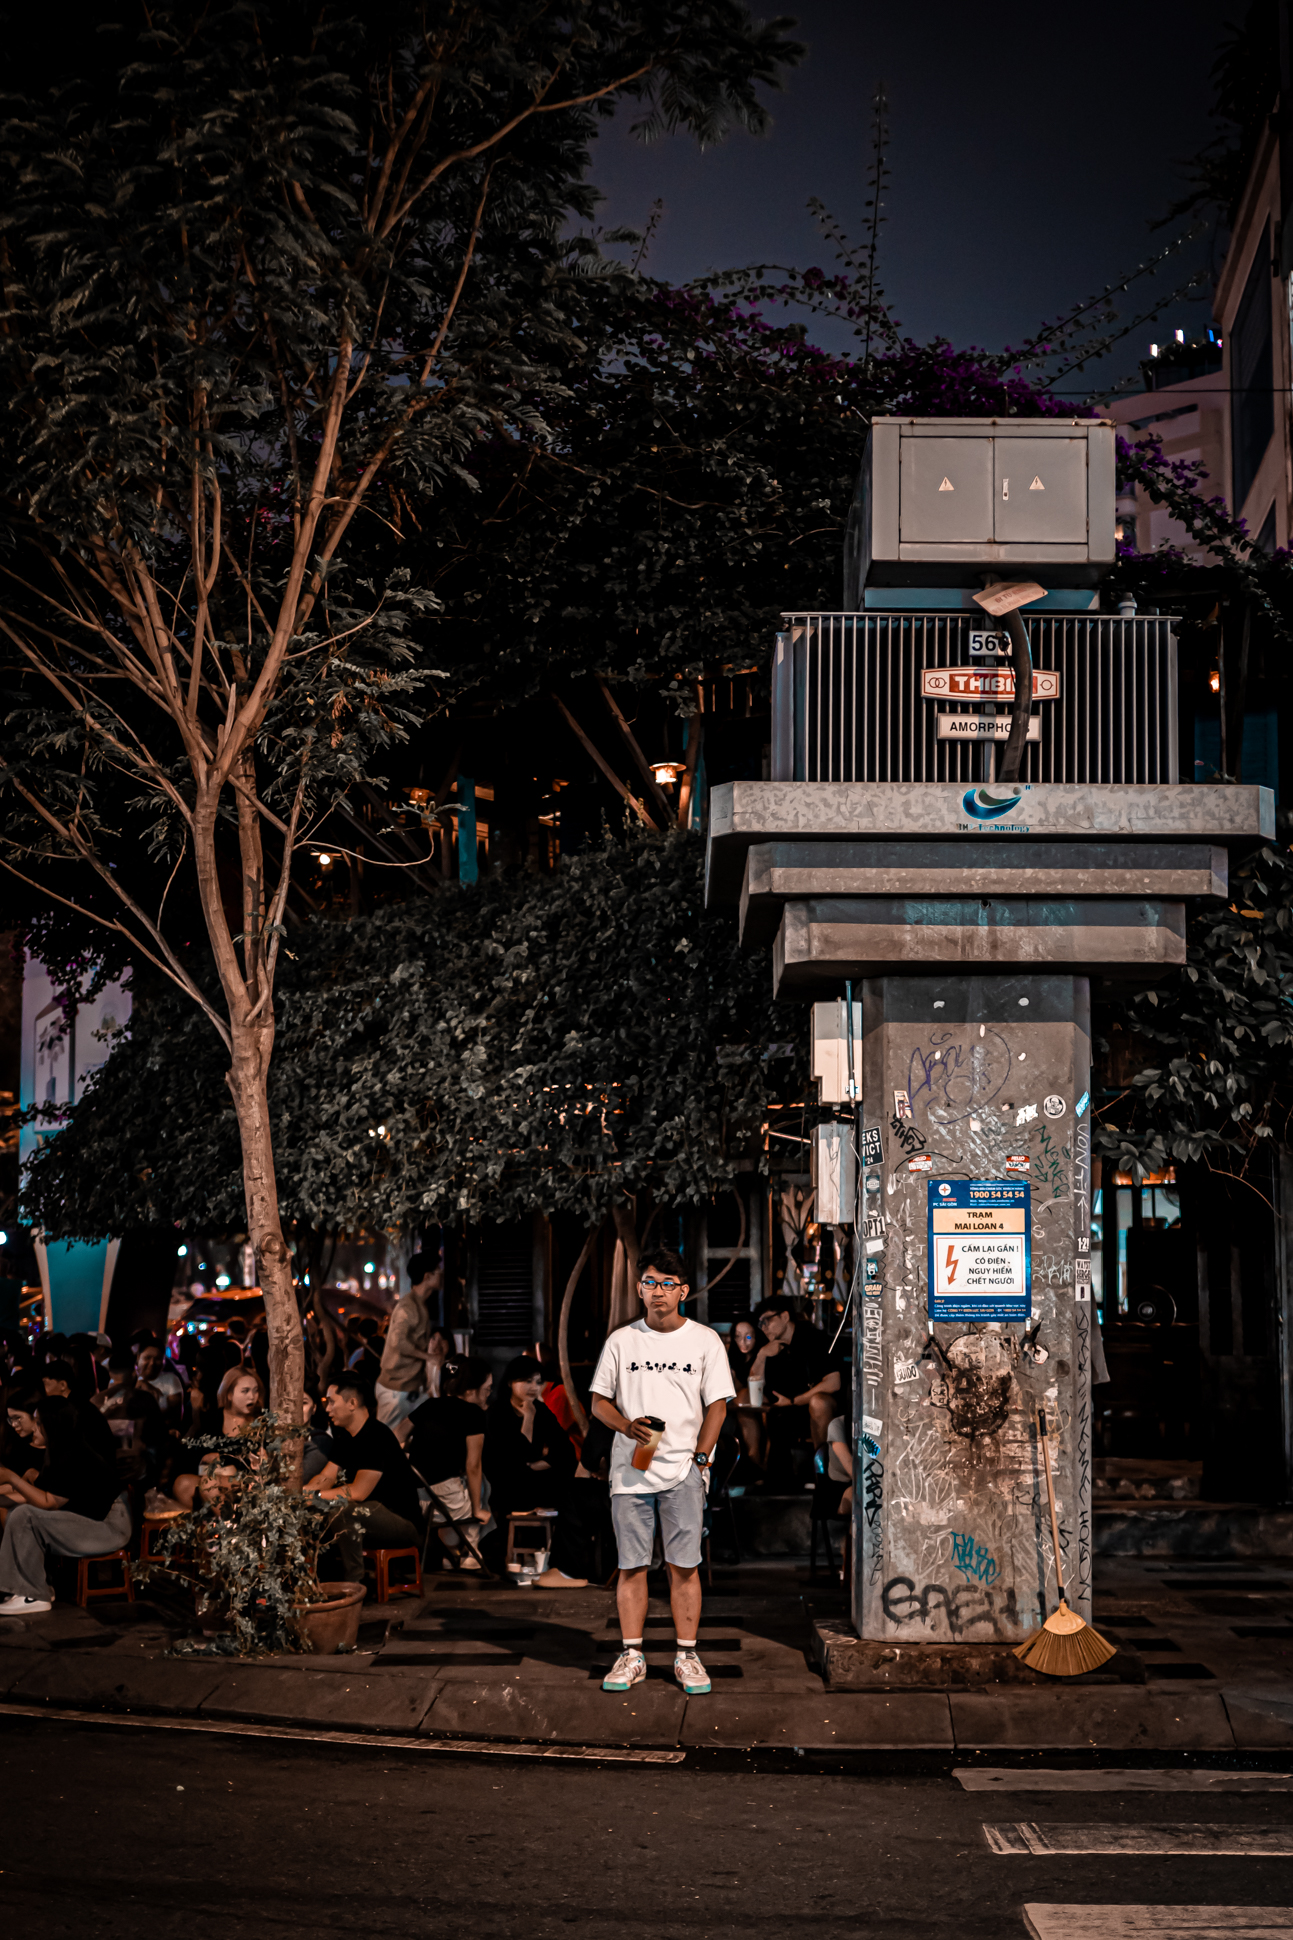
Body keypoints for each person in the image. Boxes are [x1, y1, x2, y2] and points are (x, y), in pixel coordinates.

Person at [590, 1246, 735, 1698]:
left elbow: (717, 1406)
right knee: (631, 1566)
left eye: (668, 1284)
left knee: (683, 1566)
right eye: (650, 1283)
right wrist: (625, 1425)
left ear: (683, 1291)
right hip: (630, 1471)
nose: (658, 1292)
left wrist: (702, 1461)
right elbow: (599, 1403)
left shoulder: (704, 1341)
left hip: (683, 1471)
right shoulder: (621, 1341)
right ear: (639, 1288)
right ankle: (632, 1654)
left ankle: (687, 1654)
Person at [0, 1395, 128, 1615]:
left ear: (52, 1426)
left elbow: (49, 1503)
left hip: (107, 1529)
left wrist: (12, 1478)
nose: (35, 1429)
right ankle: (36, 1587)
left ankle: (33, 1595)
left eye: (39, 1424)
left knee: (25, 1516)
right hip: (88, 1523)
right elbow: (43, 1493)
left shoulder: (73, 1454)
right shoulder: (59, 1451)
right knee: (17, 1513)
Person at [304, 1373, 423, 1582]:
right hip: (370, 1512)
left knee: (344, 1510)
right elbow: (326, 1475)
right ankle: (317, 1581)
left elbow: (358, 1492)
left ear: (352, 1403)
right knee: (314, 1509)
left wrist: (316, 1495)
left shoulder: (376, 1436)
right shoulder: (344, 1436)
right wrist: (303, 1493)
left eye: (331, 1402)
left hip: (402, 1521)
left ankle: (354, 1585)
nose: (328, 1409)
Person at [484, 1356, 587, 1587]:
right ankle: (564, 1567)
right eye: (526, 1381)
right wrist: (528, 1420)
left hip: (535, 1480)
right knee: (557, 1487)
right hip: (507, 1487)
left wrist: (537, 1464)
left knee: (573, 1487)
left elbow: (566, 1452)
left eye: (538, 1381)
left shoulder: (541, 1410)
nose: (533, 1387)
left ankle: (566, 1565)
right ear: (511, 1382)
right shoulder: (497, 1413)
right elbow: (515, 1457)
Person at [406, 1356, 491, 1568]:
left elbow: (396, 1437)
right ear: (471, 1390)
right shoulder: (473, 1414)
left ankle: (451, 1553)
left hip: (414, 1497)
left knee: (462, 1486)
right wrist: (478, 1510)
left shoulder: (428, 1405)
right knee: (483, 1486)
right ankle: (470, 1551)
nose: (489, 1394)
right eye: (487, 1388)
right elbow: (473, 1466)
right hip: (446, 1501)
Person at [751, 1296, 841, 1452]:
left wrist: (795, 1401)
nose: (763, 1327)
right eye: (760, 1324)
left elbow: (833, 1382)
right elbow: (755, 1383)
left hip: (816, 1406)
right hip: (784, 1409)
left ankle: (822, 1467)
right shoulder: (770, 1346)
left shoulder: (815, 1339)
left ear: (785, 1317)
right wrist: (761, 1355)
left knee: (818, 1403)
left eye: (767, 1321)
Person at [169, 1366, 265, 1510]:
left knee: (210, 1484)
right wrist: (208, 1459)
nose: (252, 1396)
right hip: (212, 1479)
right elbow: (195, 1457)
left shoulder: (260, 1423)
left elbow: (258, 1465)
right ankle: (207, 1526)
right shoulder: (212, 1419)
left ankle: (229, 1526)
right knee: (183, 1483)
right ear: (229, 1395)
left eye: (255, 1390)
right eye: (245, 1391)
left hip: (244, 1481)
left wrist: (226, 1462)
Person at [375, 1253, 442, 1427]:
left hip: (406, 1388)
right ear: (427, 1276)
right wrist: (429, 1357)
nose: (442, 1274)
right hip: (396, 1389)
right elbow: (399, 1342)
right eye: (438, 1271)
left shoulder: (418, 1304)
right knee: (387, 1442)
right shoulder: (408, 1307)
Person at [39, 1360, 117, 1463]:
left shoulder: (76, 1410)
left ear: (63, 1385)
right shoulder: (79, 1404)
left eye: (45, 1384)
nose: (43, 1391)